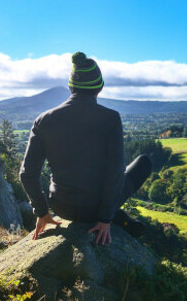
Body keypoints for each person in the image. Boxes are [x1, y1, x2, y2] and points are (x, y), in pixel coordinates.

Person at [19, 52, 152, 244]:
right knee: (143, 162)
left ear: (70, 85)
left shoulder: (43, 120)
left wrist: (42, 212)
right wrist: (105, 218)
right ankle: (117, 217)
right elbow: (115, 173)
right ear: (100, 86)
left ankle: (120, 217)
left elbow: (27, 174)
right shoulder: (110, 118)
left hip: (62, 206)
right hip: (96, 208)